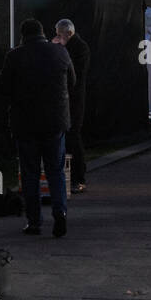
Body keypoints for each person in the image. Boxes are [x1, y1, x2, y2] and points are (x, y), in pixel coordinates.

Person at [0, 19, 74, 237]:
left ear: (23, 35)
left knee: (30, 174)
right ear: (43, 32)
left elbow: (2, 87)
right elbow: (72, 80)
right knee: (55, 171)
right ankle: (60, 212)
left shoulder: (15, 56)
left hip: (26, 123)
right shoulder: (60, 53)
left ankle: (34, 222)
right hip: (55, 122)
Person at [53, 19, 91, 193]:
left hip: (74, 99)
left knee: (74, 135)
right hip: (65, 98)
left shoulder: (80, 48)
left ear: (68, 34)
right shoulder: (67, 48)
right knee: (68, 137)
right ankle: (70, 175)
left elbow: (75, 73)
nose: (57, 37)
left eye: (60, 34)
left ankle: (79, 176)